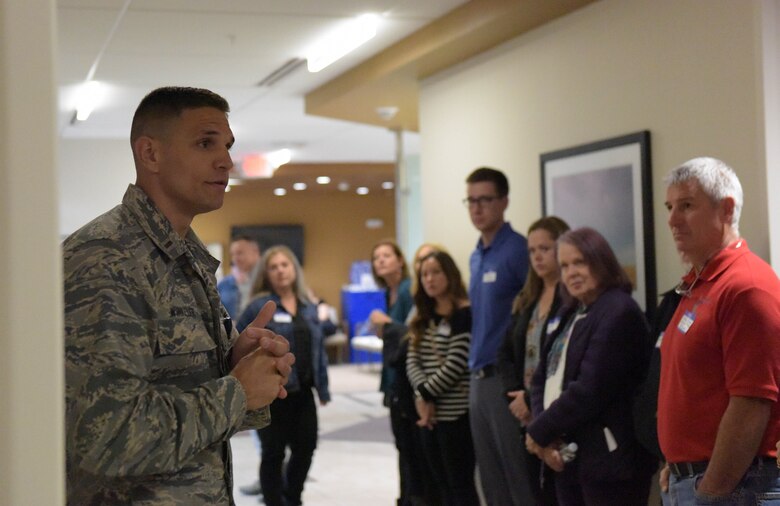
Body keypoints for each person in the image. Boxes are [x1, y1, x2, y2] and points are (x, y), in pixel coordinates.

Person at [63, 86, 295, 505]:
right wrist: (236, 391)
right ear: (150, 154)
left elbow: (174, 389)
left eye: (227, 145)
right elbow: (105, 439)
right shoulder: (106, 260)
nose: (225, 160)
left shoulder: (184, 253)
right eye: (206, 143)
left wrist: (232, 363)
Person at [657, 157, 780, 504]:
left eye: (686, 206)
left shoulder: (747, 287)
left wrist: (710, 492)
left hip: (735, 486)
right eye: (670, 207)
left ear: (726, 210)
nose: (672, 220)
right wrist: (677, 463)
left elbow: (752, 403)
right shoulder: (700, 284)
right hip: (692, 480)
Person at [526, 227, 656, 505]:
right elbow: (541, 378)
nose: (571, 272)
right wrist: (545, 436)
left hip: (611, 464)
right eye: (564, 265)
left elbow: (589, 389)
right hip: (569, 457)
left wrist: (539, 432)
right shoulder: (571, 311)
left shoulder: (619, 311)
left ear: (601, 261)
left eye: (579, 262)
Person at [237, 245, 331, 506]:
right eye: (274, 267)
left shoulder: (307, 306)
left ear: (294, 269)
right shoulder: (260, 305)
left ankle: (292, 498)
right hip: (272, 395)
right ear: (266, 273)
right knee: (273, 453)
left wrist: (323, 388)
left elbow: (319, 348)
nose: (280, 271)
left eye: (285, 265)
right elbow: (239, 339)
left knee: (306, 447)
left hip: (304, 393)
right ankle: (273, 502)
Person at [464, 167, 531, 504]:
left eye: (485, 200)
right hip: (476, 378)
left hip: (504, 379)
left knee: (516, 477)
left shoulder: (519, 251)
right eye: (471, 201)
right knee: (490, 480)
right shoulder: (476, 255)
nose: (477, 208)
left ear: (504, 201)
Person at [497, 216, 570, 505]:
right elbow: (504, 352)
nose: (537, 256)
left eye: (545, 248)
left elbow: (563, 359)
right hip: (524, 413)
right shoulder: (527, 297)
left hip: (553, 410)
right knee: (534, 492)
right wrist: (515, 395)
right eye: (532, 250)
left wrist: (530, 398)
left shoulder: (571, 298)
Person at [407, 251, 479, 506]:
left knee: (461, 486)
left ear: (450, 274)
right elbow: (412, 361)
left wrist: (425, 395)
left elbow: (456, 363)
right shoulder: (423, 316)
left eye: (436, 272)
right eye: (425, 274)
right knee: (440, 487)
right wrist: (421, 394)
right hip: (429, 417)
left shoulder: (464, 313)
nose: (430, 279)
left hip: (455, 416)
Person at [369, 239, 426, 506]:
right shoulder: (388, 293)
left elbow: (411, 334)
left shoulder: (407, 290)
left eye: (386, 255)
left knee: (413, 451)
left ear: (400, 260)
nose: (380, 260)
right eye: (376, 257)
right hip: (394, 381)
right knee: (403, 447)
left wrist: (386, 324)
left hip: (409, 380)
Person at [218, 234, 262, 320]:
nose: (235, 259)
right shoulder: (224, 284)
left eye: (239, 253)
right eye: (233, 254)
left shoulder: (269, 280)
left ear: (255, 252)